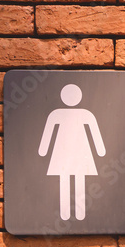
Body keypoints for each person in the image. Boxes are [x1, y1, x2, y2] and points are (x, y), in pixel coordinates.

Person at [37, 84, 106, 221]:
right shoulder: (85, 114)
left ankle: (68, 214)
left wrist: (43, 150)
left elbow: (48, 134)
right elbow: (95, 134)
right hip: (76, 151)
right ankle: (76, 214)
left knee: (66, 180)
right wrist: (100, 150)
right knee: (75, 179)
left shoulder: (57, 114)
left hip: (68, 152)